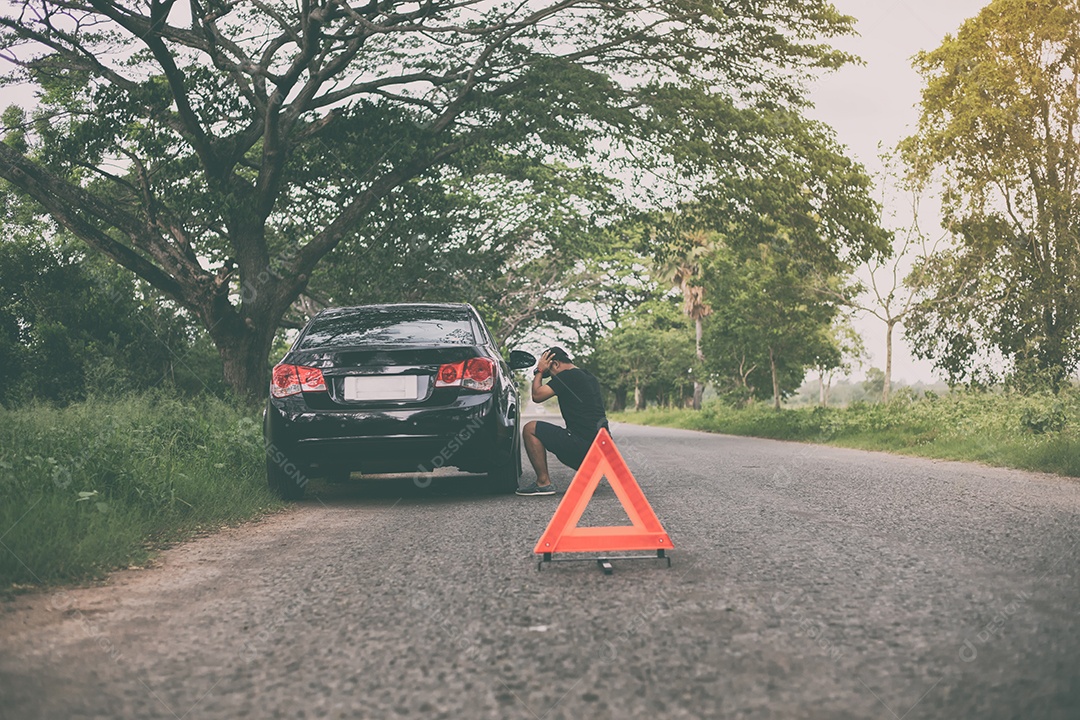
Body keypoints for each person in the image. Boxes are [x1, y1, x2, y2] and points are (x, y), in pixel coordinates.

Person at [516, 347, 609, 496]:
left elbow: (537, 395)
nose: (552, 378)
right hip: (603, 450)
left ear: (556, 364)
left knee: (530, 428)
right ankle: (592, 471)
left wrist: (540, 371)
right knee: (572, 435)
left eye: (549, 373)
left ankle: (543, 482)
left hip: (583, 447)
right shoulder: (589, 377)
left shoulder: (567, 376)